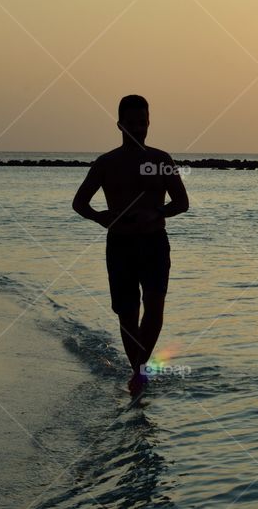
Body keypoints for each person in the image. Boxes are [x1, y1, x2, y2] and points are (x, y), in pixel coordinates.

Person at [72, 95, 189, 396]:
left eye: (143, 123)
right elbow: (79, 203)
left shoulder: (161, 160)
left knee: (154, 307)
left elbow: (182, 202)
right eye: (132, 123)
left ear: (149, 123)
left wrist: (158, 212)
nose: (138, 129)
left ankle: (138, 372)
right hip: (120, 244)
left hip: (154, 242)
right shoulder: (107, 163)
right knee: (127, 313)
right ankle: (138, 372)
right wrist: (100, 217)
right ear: (120, 125)